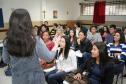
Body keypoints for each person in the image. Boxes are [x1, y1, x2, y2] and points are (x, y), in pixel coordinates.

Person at [2, 9, 56, 84]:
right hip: (35, 79)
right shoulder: (35, 40)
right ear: (28, 23)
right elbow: (49, 57)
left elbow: (6, 60)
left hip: (18, 79)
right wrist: (55, 47)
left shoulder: (7, 41)